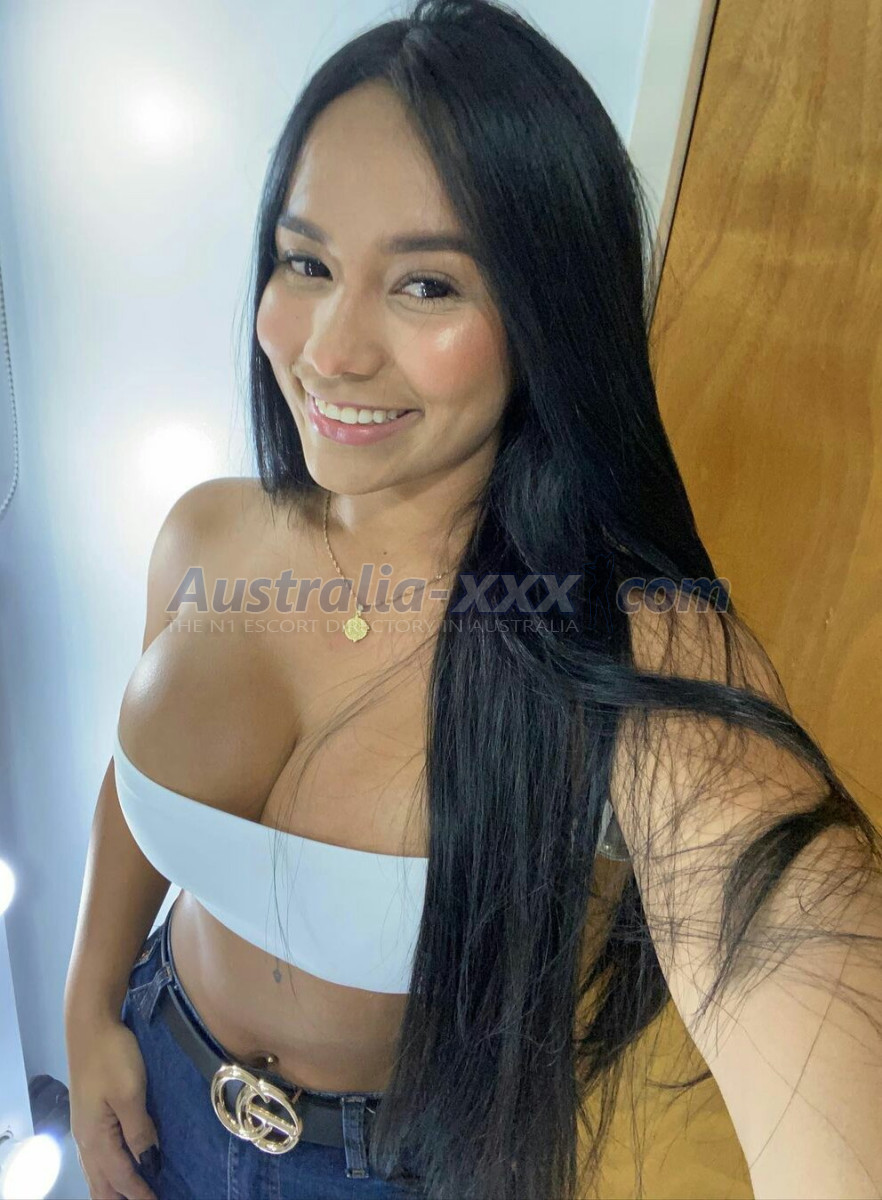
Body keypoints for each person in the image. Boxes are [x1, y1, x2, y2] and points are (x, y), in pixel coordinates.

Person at [64, 1, 882, 1198]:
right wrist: (88, 1004)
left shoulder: (629, 648)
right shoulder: (204, 528)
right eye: (306, 263)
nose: (330, 351)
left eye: (426, 284)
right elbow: (133, 790)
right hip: (155, 1070)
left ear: (548, 311)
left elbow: (788, 928)